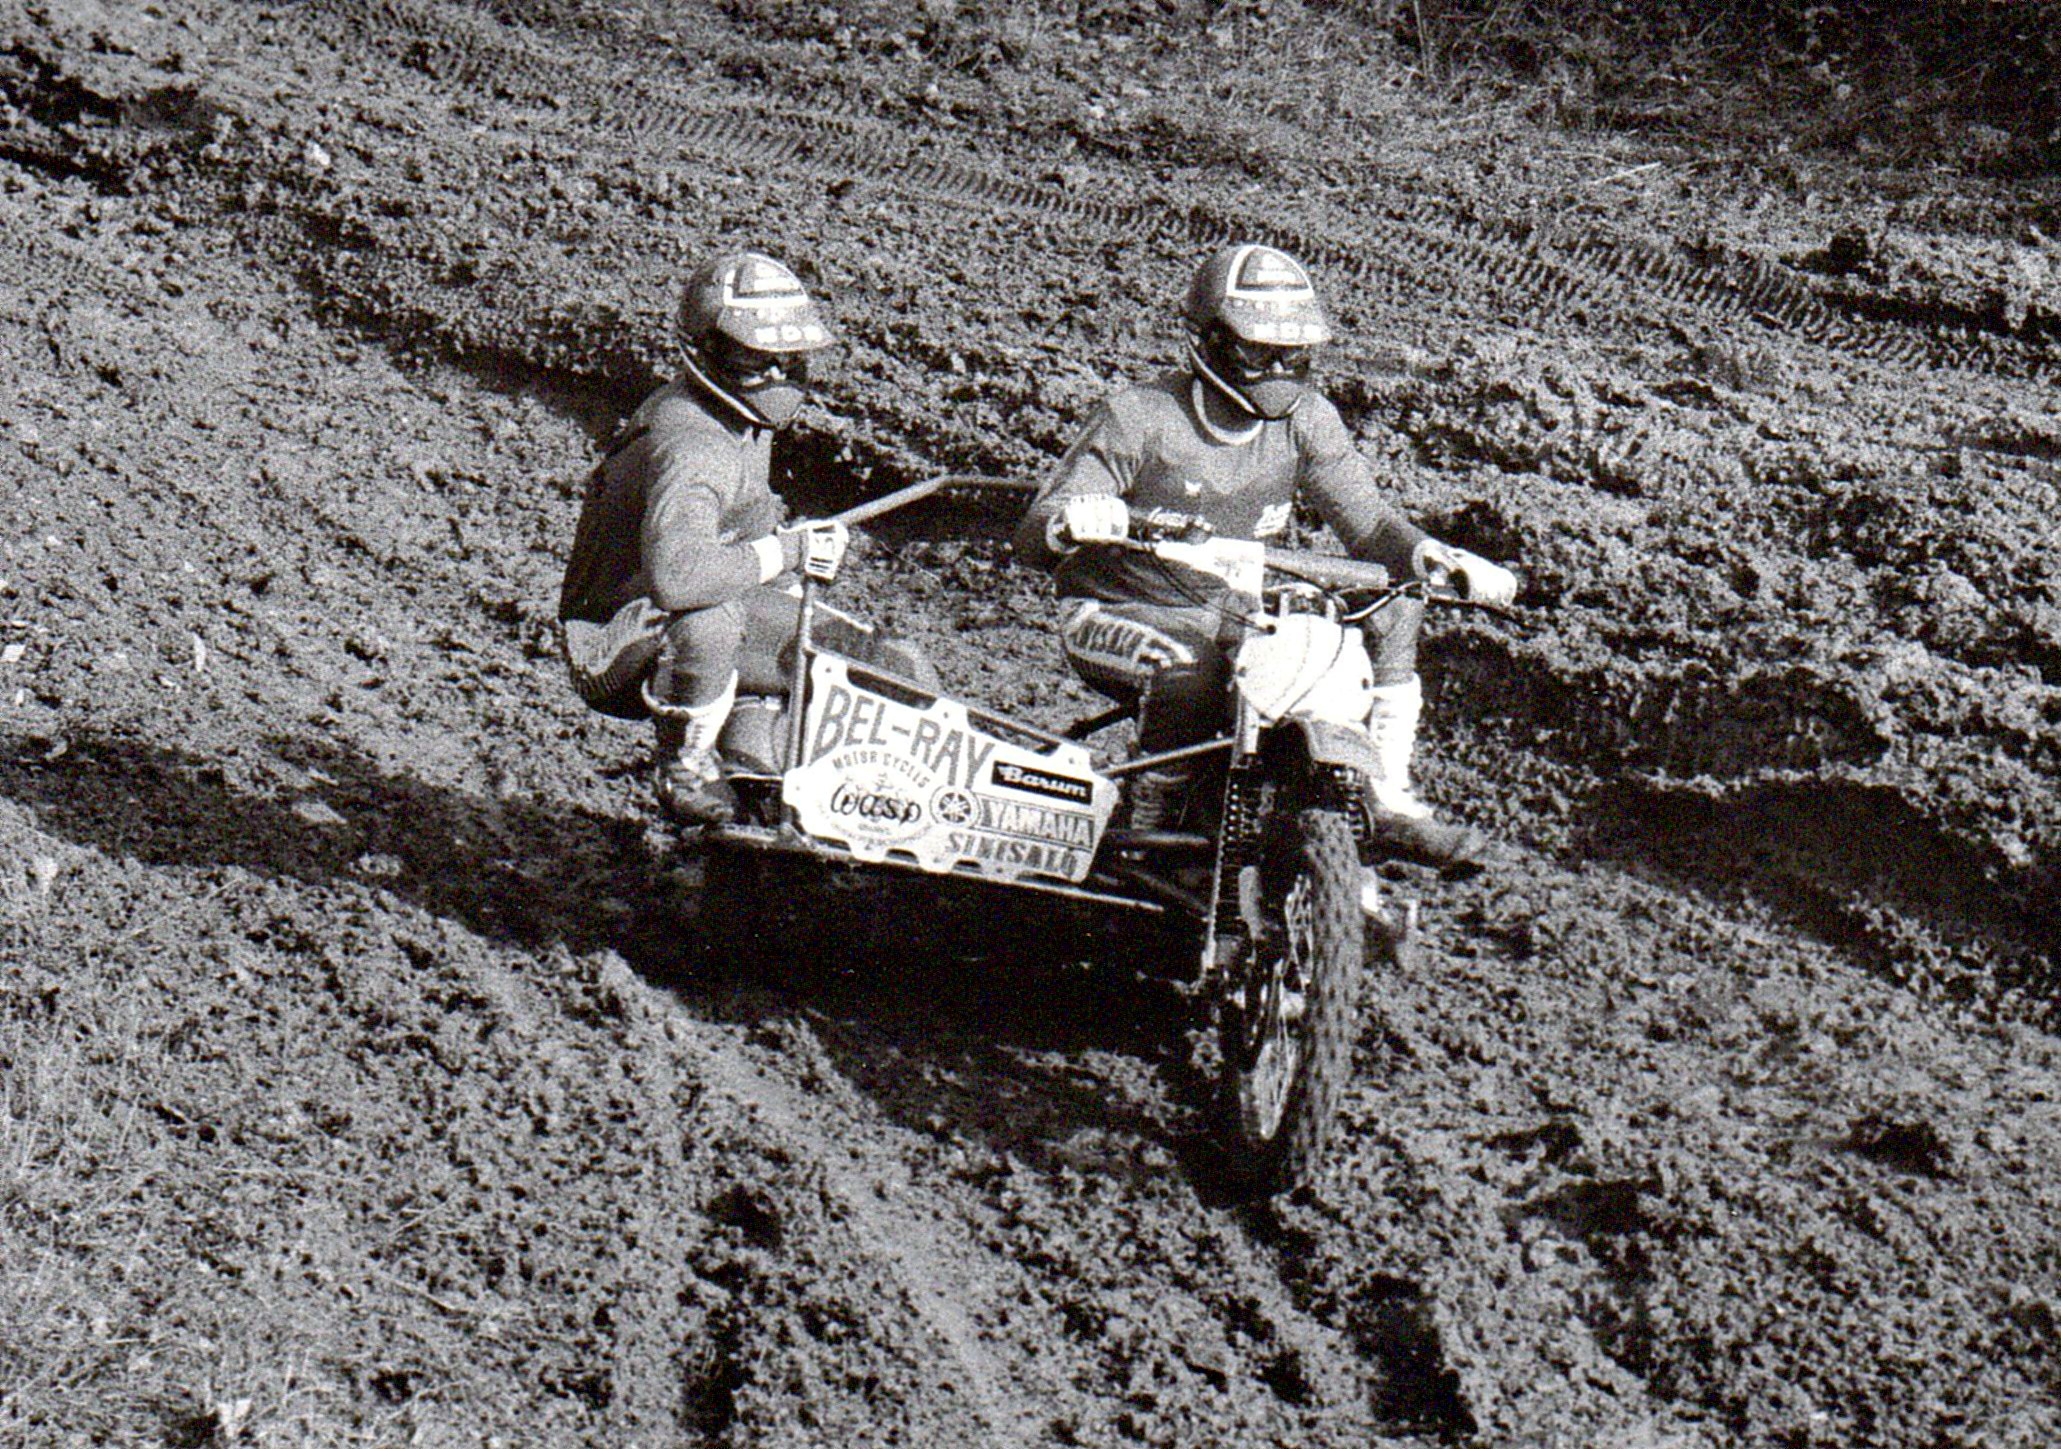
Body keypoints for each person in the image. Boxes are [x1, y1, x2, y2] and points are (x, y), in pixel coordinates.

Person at [1013, 242, 1517, 891]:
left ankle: (1386, 792)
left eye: (1294, 354)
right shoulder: (1140, 417)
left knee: (1396, 605)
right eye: (1257, 352)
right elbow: (1034, 534)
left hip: (1237, 612)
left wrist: (1429, 555)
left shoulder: (1307, 422)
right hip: (1118, 606)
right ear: (1208, 341)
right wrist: (1077, 519)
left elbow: (1368, 523)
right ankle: (1151, 807)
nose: (1277, 369)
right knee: (1188, 673)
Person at [558, 250, 914, 826]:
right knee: (711, 622)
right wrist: (790, 551)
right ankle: (684, 764)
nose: (775, 375)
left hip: (668, 606)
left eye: (786, 358)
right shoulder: (695, 445)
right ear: (708, 351)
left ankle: (763, 763)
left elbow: (744, 533)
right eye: (754, 357)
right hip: (611, 634)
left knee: (878, 659)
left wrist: (788, 557)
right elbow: (679, 578)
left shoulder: (743, 420)